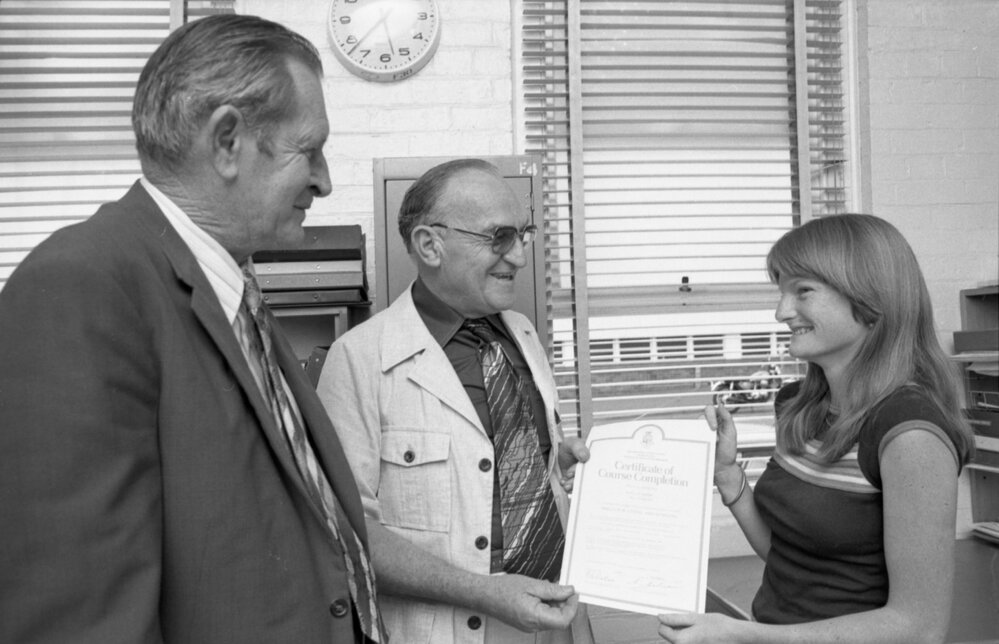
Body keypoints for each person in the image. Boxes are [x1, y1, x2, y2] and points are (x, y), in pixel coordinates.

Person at [0, 15, 386, 643]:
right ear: (227, 140)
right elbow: (78, 621)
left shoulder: (232, 287)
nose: (324, 179)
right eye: (308, 149)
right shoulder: (80, 289)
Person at [658, 214, 975, 644]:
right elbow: (789, 557)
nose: (781, 312)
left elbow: (918, 628)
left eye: (802, 291)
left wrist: (743, 637)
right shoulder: (799, 406)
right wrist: (729, 478)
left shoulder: (909, 433)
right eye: (781, 292)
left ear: (869, 299)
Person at [317, 158, 594, 644]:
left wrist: (552, 462)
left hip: (552, 621)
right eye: (498, 237)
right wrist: (484, 592)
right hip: (450, 630)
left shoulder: (524, 335)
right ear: (430, 245)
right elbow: (349, 533)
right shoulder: (358, 361)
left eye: (522, 235)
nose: (520, 257)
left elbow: (491, 471)